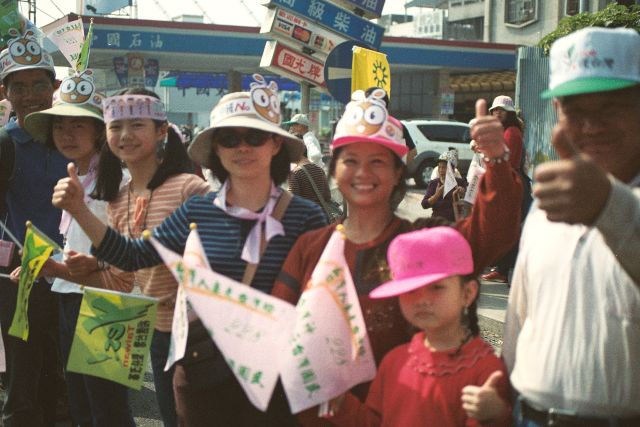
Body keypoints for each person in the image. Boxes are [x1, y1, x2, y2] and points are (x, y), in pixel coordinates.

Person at [52, 75, 328, 426]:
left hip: (280, 371)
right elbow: (134, 256)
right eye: (229, 139)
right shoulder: (199, 210)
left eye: (255, 137)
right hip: (205, 366)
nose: (242, 148)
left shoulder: (306, 216)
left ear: (275, 144)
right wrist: (78, 210)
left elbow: (324, 299)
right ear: (216, 150)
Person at [272, 88, 523, 426]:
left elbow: (494, 231)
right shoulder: (310, 247)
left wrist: (496, 160)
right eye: (351, 161)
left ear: (397, 174)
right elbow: (278, 329)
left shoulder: (424, 242)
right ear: (334, 170)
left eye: (377, 161)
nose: (363, 173)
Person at [503, 27, 640, 427]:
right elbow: (520, 313)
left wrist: (609, 205)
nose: (592, 126)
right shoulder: (547, 203)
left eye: (611, 107)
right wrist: (502, 387)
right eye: (575, 111)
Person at [18, 73, 136, 426]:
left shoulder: (121, 184)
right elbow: (76, 247)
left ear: (99, 132)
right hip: (72, 298)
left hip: (112, 302)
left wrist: (56, 268)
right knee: (82, 406)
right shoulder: (75, 178)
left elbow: (126, 257)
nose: (66, 134)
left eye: (77, 125)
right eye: (59, 127)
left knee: (108, 410)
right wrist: (43, 264)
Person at [90, 87, 209, 427]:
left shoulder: (189, 188)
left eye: (137, 125)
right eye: (116, 126)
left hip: (201, 332)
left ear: (161, 131)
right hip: (158, 330)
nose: (125, 135)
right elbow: (123, 278)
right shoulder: (117, 199)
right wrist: (64, 270)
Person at [326, 227, 511, 427]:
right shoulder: (394, 361)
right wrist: (341, 404)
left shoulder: (485, 369)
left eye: (436, 287)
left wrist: (495, 416)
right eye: (411, 290)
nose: (422, 300)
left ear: (467, 293)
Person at [0, 30, 69, 426]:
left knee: (71, 381)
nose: (30, 96)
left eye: (39, 85)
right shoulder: (4, 144)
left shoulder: (74, 137)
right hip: (21, 277)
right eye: (19, 87)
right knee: (23, 380)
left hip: (76, 274)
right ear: (5, 92)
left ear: (54, 87)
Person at [482, 95, 526, 283]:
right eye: (495, 110)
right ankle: (502, 269)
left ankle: (504, 270)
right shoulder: (507, 131)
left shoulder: (511, 133)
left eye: (502, 110)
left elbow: (507, 162)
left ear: (509, 113)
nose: (498, 113)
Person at [421, 151, 467, 222]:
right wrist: (436, 195)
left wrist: (462, 193)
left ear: (453, 170)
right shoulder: (434, 183)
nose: (441, 170)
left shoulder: (460, 182)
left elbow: (469, 202)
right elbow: (424, 205)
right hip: (437, 221)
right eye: (439, 167)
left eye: (444, 167)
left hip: (455, 222)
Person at [288, 147, 334, 215]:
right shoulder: (319, 169)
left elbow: (291, 201)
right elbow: (327, 196)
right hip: (322, 214)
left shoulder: (295, 173)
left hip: (306, 216)